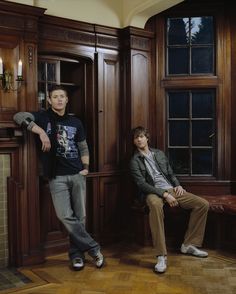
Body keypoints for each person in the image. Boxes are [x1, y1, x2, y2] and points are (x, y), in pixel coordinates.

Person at [13, 85, 104, 271]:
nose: (59, 99)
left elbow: (83, 147)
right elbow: (18, 116)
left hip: (77, 174)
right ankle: (94, 248)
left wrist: (85, 168)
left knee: (81, 217)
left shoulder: (75, 122)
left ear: (67, 99)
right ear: (49, 100)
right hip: (57, 177)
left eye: (62, 96)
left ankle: (76, 255)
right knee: (65, 216)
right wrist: (40, 132)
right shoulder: (42, 117)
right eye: (55, 97)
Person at [129, 126, 209, 274]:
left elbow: (170, 173)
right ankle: (161, 255)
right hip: (152, 192)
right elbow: (142, 184)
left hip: (171, 189)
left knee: (202, 204)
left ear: (147, 138)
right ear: (134, 142)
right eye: (136, 137)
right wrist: (164, 194)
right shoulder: (135, 161)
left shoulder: (159, 153)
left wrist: (177, 185)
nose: (139, 139)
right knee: (154, 206)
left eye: (141, 136)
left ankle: (189, 244)